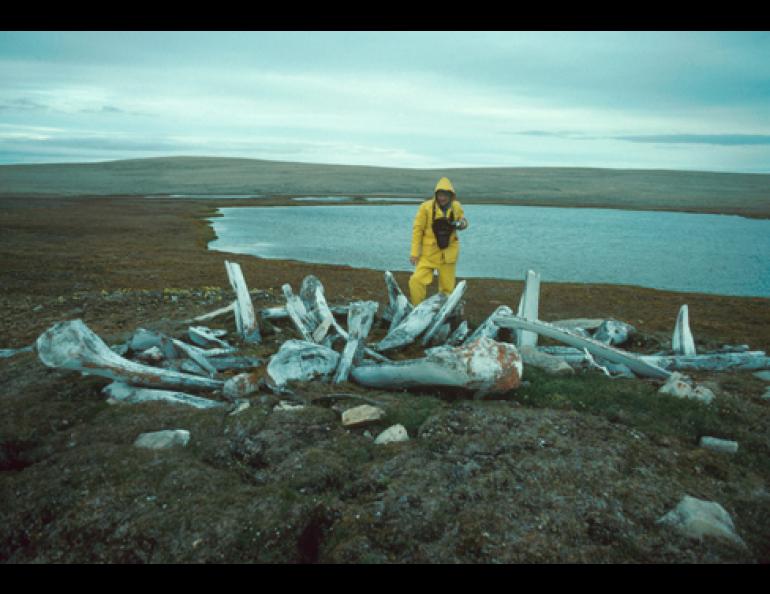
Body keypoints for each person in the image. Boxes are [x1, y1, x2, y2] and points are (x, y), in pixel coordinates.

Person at [408, 177, 469, 305]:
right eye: (440, 194)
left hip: (448, 255)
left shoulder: (456, 206)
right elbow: (417, 230)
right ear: (436, 194)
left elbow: (464, 222)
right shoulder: (425, 207)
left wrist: (461, 224)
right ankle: (416, 310)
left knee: (447, 290)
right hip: (428, 254)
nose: (442, 198)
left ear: (451, 195)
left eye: (446, 195)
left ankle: (445, 316)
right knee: (416, 281)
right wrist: (414, 253)